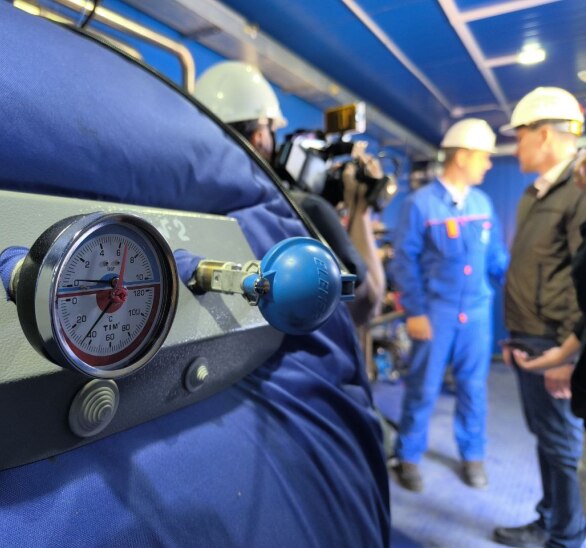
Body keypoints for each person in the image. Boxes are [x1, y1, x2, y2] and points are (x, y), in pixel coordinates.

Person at [194, 60, 386, 326]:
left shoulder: (189, 200)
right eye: (272, 131)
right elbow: (366, 305)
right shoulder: (306, 210)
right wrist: (360, 208)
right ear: (259, 137)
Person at [390, 118, 509, 492]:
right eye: (483, 156)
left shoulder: (482, 203)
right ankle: (408, 456)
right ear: (462, 156)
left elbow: (496, 258)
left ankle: (473, 455)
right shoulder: (420, 204)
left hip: (477, 313)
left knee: (473, 387)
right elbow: (404, 262)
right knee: (423, 387)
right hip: (435, 313)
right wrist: (415, 312)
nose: (488, 164)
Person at [493, 87, 586, 548]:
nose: (516, 148)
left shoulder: (579, 191)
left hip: (556, 341)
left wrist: (571, 354)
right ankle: (549, 520)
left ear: (544, 134)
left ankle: (567, 538)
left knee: (562, 444)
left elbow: (583, 278)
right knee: (546, 436)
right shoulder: (535, 193)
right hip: (530, 335)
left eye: (520, 136)